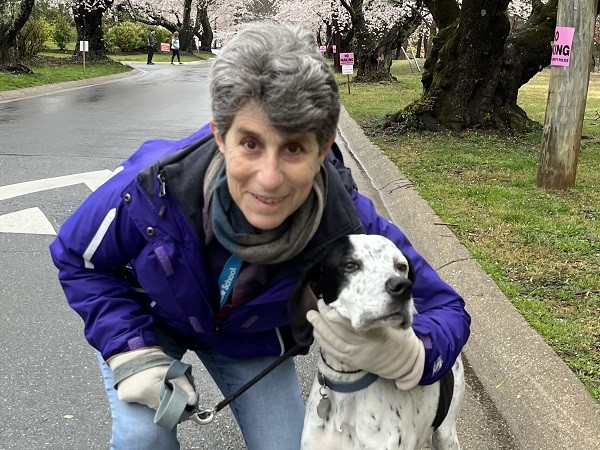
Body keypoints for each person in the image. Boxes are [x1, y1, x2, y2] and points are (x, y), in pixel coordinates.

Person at [50, 22, 470, 450]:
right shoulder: (150, 188)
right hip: (151, 322)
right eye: (250, 143)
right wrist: (129, 350)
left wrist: (413, 356)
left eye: (293, 148)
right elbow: (76, 258)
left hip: (247, 341)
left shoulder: (348, 223)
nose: (269, 180)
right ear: (220, 136)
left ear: (323, 149)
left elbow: (448, 307)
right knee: (144, 437)